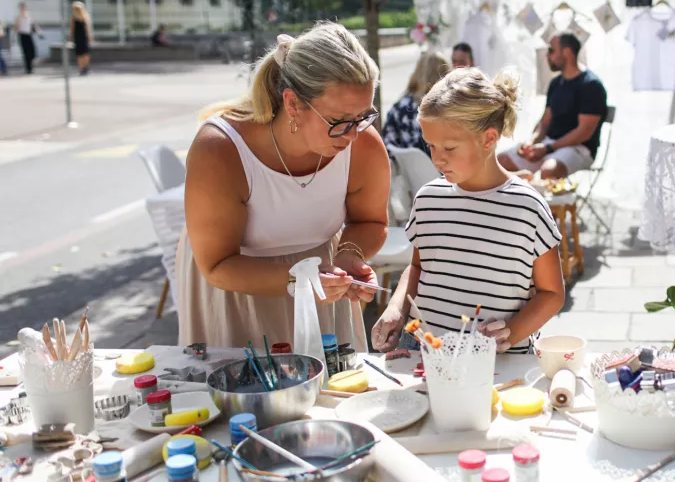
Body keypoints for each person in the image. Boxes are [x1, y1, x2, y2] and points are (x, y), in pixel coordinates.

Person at [176, 22, 390, 350]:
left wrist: (348, 256)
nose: (353, 134)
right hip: (237, 294)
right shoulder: (219, 149)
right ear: (293, 104)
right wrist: (300, 281)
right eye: (339, 121)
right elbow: (217, 264)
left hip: (322, 287)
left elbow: (370, 222)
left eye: (364, 116)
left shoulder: (362, 144)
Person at [371, 67, 565, 354]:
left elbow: (552, 294)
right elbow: (418, 267)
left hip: (498, 363)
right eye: (431, 146)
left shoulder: (528, 207)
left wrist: (511, 333)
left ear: (488, 139)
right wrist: (396, 309)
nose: (437, 159)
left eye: (449, 148)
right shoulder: (428, 200)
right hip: (423, 352)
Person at [498, 33, 607, 180]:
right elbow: (545, 122)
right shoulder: (556, 83)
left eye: (551, 50)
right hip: (549, 144)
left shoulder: (591, 85)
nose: (547, 56)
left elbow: (584, 132)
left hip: (578, 148)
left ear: (567, 52)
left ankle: (553, 202)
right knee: (501, 162)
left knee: (549, 171)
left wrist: (548, 148)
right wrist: (531, 142)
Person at [382, 50, 448, 156]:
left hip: (405, 171)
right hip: (439, 170)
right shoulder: (444, 110)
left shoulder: (399, 108)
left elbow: (387, 145)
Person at [15, 2, 41, 75]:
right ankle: (28, 69)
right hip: (22, 35)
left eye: (23, 7)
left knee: (32, 51)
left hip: (29, 35)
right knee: (25, 53)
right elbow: (16, 27)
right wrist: (20, 19)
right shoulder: (18, 17)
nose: (22, 9)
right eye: (21, 7)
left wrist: (38, 32)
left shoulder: (29, 16)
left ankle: (30, 65)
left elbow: (34, 25)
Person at [70, 1, 93, 75]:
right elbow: (72, 29)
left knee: (86, 53)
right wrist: (71, 38)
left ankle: (86, 67)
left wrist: (90, 37)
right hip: (77, 37)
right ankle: (81, 68)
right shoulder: (73, 18)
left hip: (84, 37)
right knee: (79, 54)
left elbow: (88, 28)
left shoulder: (85, 16)